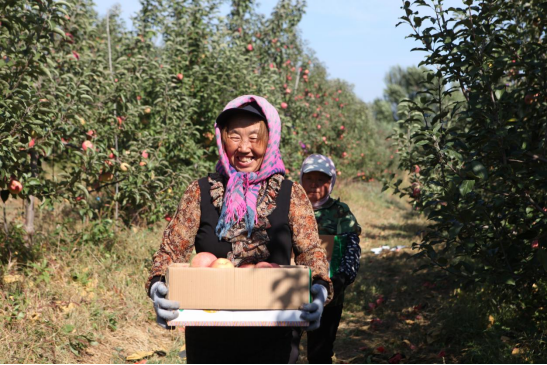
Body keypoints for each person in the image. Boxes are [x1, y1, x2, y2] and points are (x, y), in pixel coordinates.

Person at [145, 95, 333, 364]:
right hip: (209, 338)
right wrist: (158, 287)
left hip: (275, 338)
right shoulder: (200, 192)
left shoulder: (291, 194)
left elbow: (312, 252)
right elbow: (170, 250)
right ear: (222, 139)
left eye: (255, 137)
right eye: (234, 136)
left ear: (270, 139)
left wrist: (319, 290)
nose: (244, 147)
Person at [299, 154, 362, 364]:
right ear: (301, 179)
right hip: (291, 290)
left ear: (332, 182)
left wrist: (341, 279)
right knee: (285, 345)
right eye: (309, 178)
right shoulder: (294, 209)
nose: (315, 185)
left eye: (322, 179)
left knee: (320, 350)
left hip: (330, 293)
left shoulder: (340, 213)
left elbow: (352, 249)